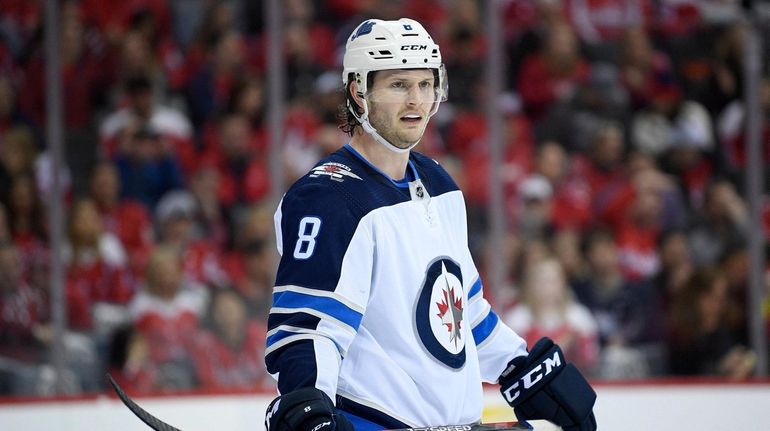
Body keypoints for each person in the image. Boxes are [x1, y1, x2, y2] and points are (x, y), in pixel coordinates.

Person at [264, 18, 597, 431]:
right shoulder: (328, 197)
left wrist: (521, 367)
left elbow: (464, 312)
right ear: (359, 92)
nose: (416, 101)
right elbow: (308, 329)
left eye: (425, 84)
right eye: (399, 85)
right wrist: (307, 408)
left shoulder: (438, 183)